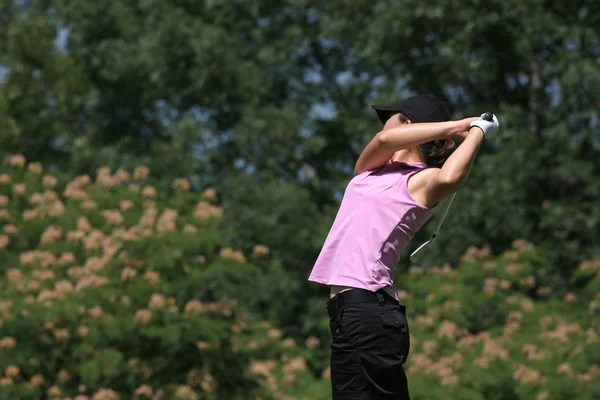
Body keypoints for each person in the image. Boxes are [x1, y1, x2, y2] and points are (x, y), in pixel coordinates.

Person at [307, 95, 499, 400]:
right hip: (347, 313)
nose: (385, 125)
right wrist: (458, 126)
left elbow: (451, 177)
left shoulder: (422, 180)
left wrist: (476, 130)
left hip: (369, 309)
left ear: (410, 125)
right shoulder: (371, 170)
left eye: (392, 116)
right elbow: (385, 139)